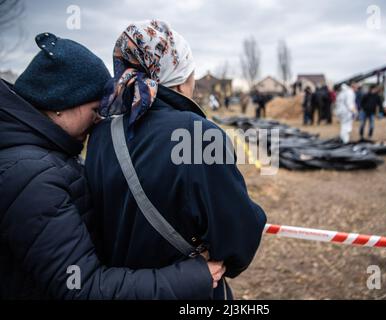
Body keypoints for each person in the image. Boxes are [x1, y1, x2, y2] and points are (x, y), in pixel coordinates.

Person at [0, 33, 224, 299]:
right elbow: (83, 289)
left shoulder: (42, 156)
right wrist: (193, 277)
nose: (99, 121)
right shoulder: (31, 177)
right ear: (60, 103)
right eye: (96, 109)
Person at [85, 20, 267, 300]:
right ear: (182, 78)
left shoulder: (100, 134)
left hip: (121, 289)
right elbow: (237, 242)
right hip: (189, 291)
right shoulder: (198, 134)